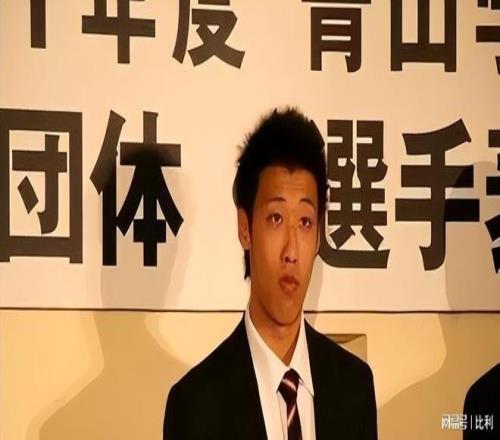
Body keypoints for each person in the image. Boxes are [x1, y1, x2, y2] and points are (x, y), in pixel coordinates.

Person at [163, 108, 378, 439]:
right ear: (245, 228)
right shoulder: (196, 404)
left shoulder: (354, 387)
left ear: (319, 235)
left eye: (305, 222)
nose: (292, 251)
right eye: (276, 218)